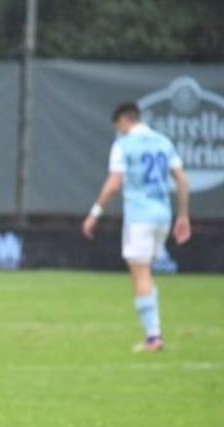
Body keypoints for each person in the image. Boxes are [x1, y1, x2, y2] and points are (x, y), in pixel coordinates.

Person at [82, 101, 191, 352]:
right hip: (163, 215)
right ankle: (154, 333)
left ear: (123, 121)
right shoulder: (164, 142)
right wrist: (183, 216)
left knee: (140, 273)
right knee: (146, 272)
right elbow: (183, 181)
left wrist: (94, 213)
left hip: (139, 216)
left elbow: (113, 185)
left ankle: (153, 337)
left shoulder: (123, 145)